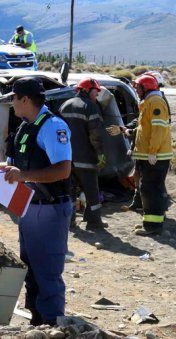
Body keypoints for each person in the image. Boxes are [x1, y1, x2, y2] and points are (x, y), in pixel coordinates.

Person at [0, 77, 72, 326]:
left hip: (50, 209)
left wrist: (24, 176)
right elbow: (11, 167)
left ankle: (52, 325)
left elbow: (63, 170)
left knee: (47, 270)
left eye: (14, 99)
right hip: (28, 207)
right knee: (30, 267)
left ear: (25, 99)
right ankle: (37, 321)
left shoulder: (52, 126)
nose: (12, 104)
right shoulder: (25, 127)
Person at [122, 73, 172, 236]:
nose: (136, 90)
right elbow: (145, 128)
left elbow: (158, 129)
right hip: (150, 155)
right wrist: (130, 132)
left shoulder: (155, 102)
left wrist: (152, 152)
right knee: (149, 188)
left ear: (147, 88)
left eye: (138, 88)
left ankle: (153, 226)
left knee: (151, 189)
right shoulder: (149, 102)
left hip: (156, 156)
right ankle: (152, 222)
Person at [59, 77, 108, 231]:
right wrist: (100, 153)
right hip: (86, 159)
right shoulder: (90, 107)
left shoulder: (65, 105)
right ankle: (94, 223)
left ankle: (70, 222)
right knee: (92, 192)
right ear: (87, 90)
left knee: (70, 192)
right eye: (95, 91)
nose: (97, 95)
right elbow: (96, 134)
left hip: (67, 160)